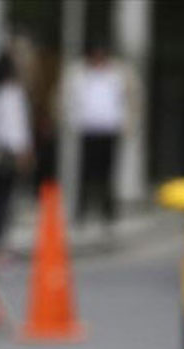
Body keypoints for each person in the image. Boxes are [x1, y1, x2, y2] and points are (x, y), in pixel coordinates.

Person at [0, 51, 33, 262]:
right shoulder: (11, 93)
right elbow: (14, 128)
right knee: (3, 200)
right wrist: (22, 152)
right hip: (7, 154)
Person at [68, 40, 126, 228]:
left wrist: (124, 122)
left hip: (109, 129)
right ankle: (82, 211)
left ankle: (107, 212)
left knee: (107, 173)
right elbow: (73, 99)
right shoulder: (81, 75)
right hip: (89, 128)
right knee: (86, 172)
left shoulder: (115, 75)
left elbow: (125, 99)